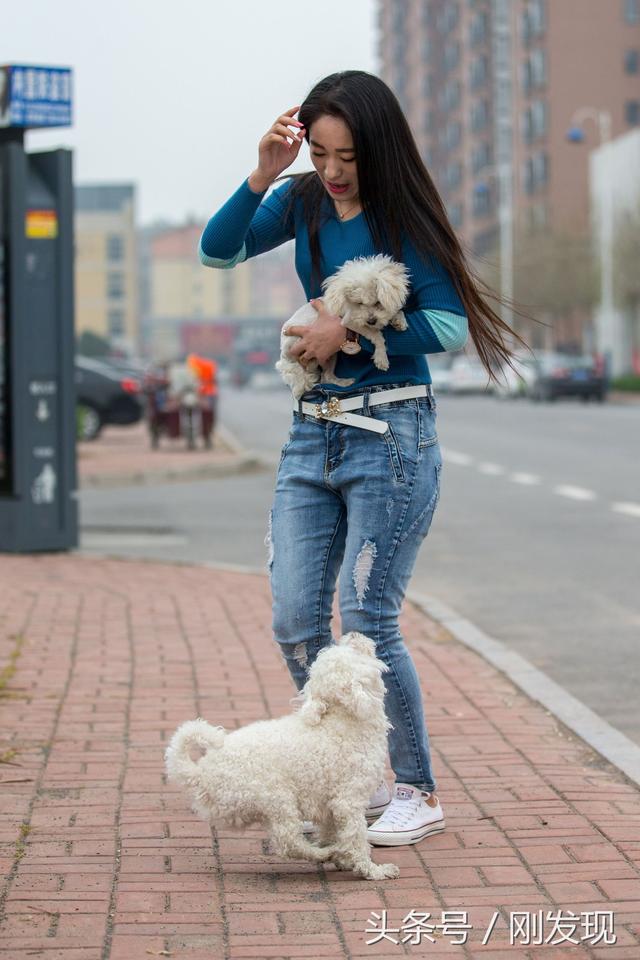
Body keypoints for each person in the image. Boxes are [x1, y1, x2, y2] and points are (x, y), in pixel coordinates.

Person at [199, 71, 530, 847]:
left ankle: (415, 788)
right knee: (293, 619)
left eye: (347, 155)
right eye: (319, 152)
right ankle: (358, 774)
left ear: (376, 148)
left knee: (369, 621)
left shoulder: (403, 212)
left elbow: (448, 329)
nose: (334, 170)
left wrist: (346, 336)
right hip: (311, 432)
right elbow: (218, 255)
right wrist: (261, 174)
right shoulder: (302, 200)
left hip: (393, 436)